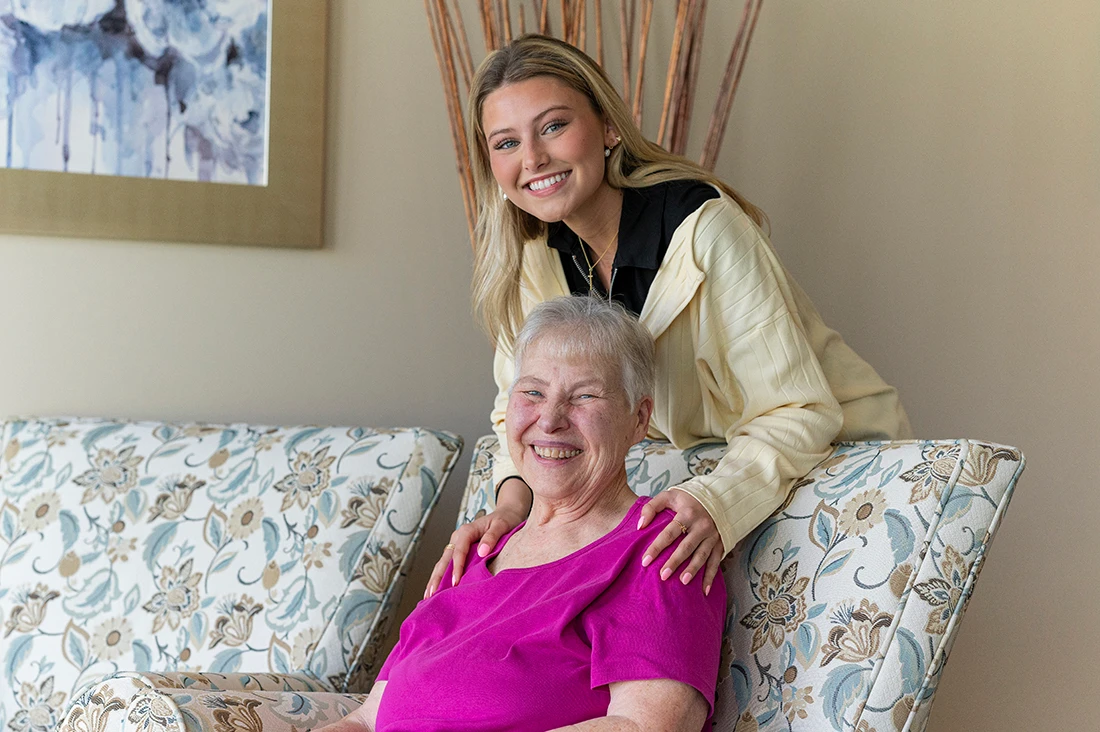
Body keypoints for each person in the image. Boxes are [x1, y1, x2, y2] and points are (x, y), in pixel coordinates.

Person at [426, 34, 911, 599]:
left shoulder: (705, 230)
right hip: (722, 473)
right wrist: (512, 506)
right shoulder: (532, 259)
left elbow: (799, 410)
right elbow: (516, 408)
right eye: (506, 142)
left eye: (553, 126)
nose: (532, 158)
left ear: (608, 127)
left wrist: (715, 498)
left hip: (842, 468)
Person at [318, 296, 726, 732]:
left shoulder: (660, 548)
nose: (549, 421)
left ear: (638, 419)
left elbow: (648, 725)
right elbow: (367, 718)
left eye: (584, 396)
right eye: (532, 392)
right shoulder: (472, 553)